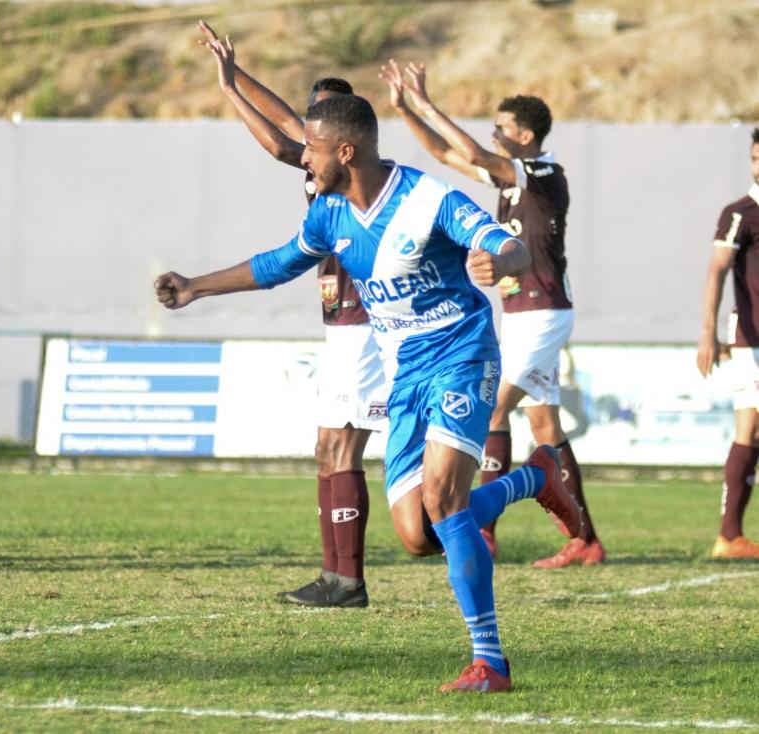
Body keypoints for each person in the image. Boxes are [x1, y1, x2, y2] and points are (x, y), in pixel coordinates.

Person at [155, 93, 583, 691]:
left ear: (346, 151)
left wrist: (500, 263)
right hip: (403, 375)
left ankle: (490, 662)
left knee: (443, 499)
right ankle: (535, 476)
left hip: (462, 355)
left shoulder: (428, 199)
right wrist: (195, 287)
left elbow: (508, 244)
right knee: (418, 535)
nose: (304, 157)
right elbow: (278, 263)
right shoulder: (329, 214)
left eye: (312, 147)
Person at [381, 60, 604, 568]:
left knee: (495, 410)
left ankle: (483, 532)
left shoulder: (544, 174)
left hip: (544, 311)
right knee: (545, 426)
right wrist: (406, 109)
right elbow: (444, 153)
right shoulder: (511, 181)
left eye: (502, 127)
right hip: (523, 313)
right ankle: (585, 540)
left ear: (525, 137)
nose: (494, 134)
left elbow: (474, 153)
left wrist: (427, 102)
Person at [197, 22, 385, 607]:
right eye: (311, 121)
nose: (311, 135)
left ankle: (349, 582)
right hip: (340, 320)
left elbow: (281, 143)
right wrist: (234, 71)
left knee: (343, 450)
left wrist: (229, 90)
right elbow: (286, 122)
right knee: (326, 450)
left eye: (322, 124)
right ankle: (333, 576)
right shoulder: (320, 162)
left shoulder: (350, 174)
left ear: (346, 137)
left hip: (366, 319)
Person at [697, 127, 759, 560]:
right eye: (755, 159)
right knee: (749, 426)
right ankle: (729, 536)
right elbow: (717, 270)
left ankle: (731, 535)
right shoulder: (741, 213)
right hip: (752, 341)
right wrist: (709, 332)